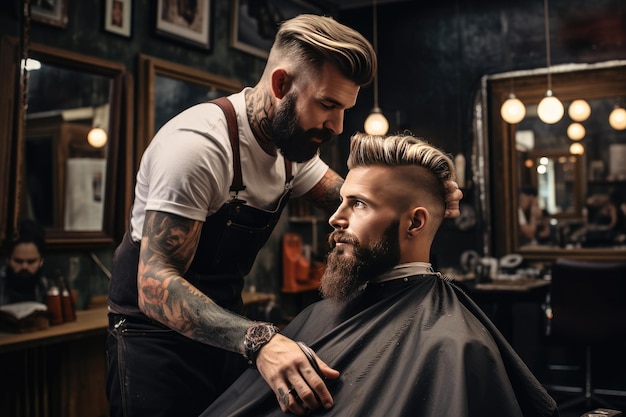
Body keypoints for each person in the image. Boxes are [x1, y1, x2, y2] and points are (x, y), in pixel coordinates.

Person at [105, 14, 464, 417]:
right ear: (280, 85)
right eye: (327, 104)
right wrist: (261, 340)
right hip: (153, 343)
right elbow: (154, 285)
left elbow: (357, 200)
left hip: (223, 330)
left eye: (345, 108)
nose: (337, 125)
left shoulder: (291, 152)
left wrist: (422, 197)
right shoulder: (198, 148)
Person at [200, 132, 558, 417]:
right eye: (341, 200)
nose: (335, 218)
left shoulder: (453, 345)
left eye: (357, 204)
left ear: (415, 222)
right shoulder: (320, 315)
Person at [0, 219, 48, 306]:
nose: (24, 267)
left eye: (31, 262)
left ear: (41, 261)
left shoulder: (45, 286)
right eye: (18, 261)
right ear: (8, 260)